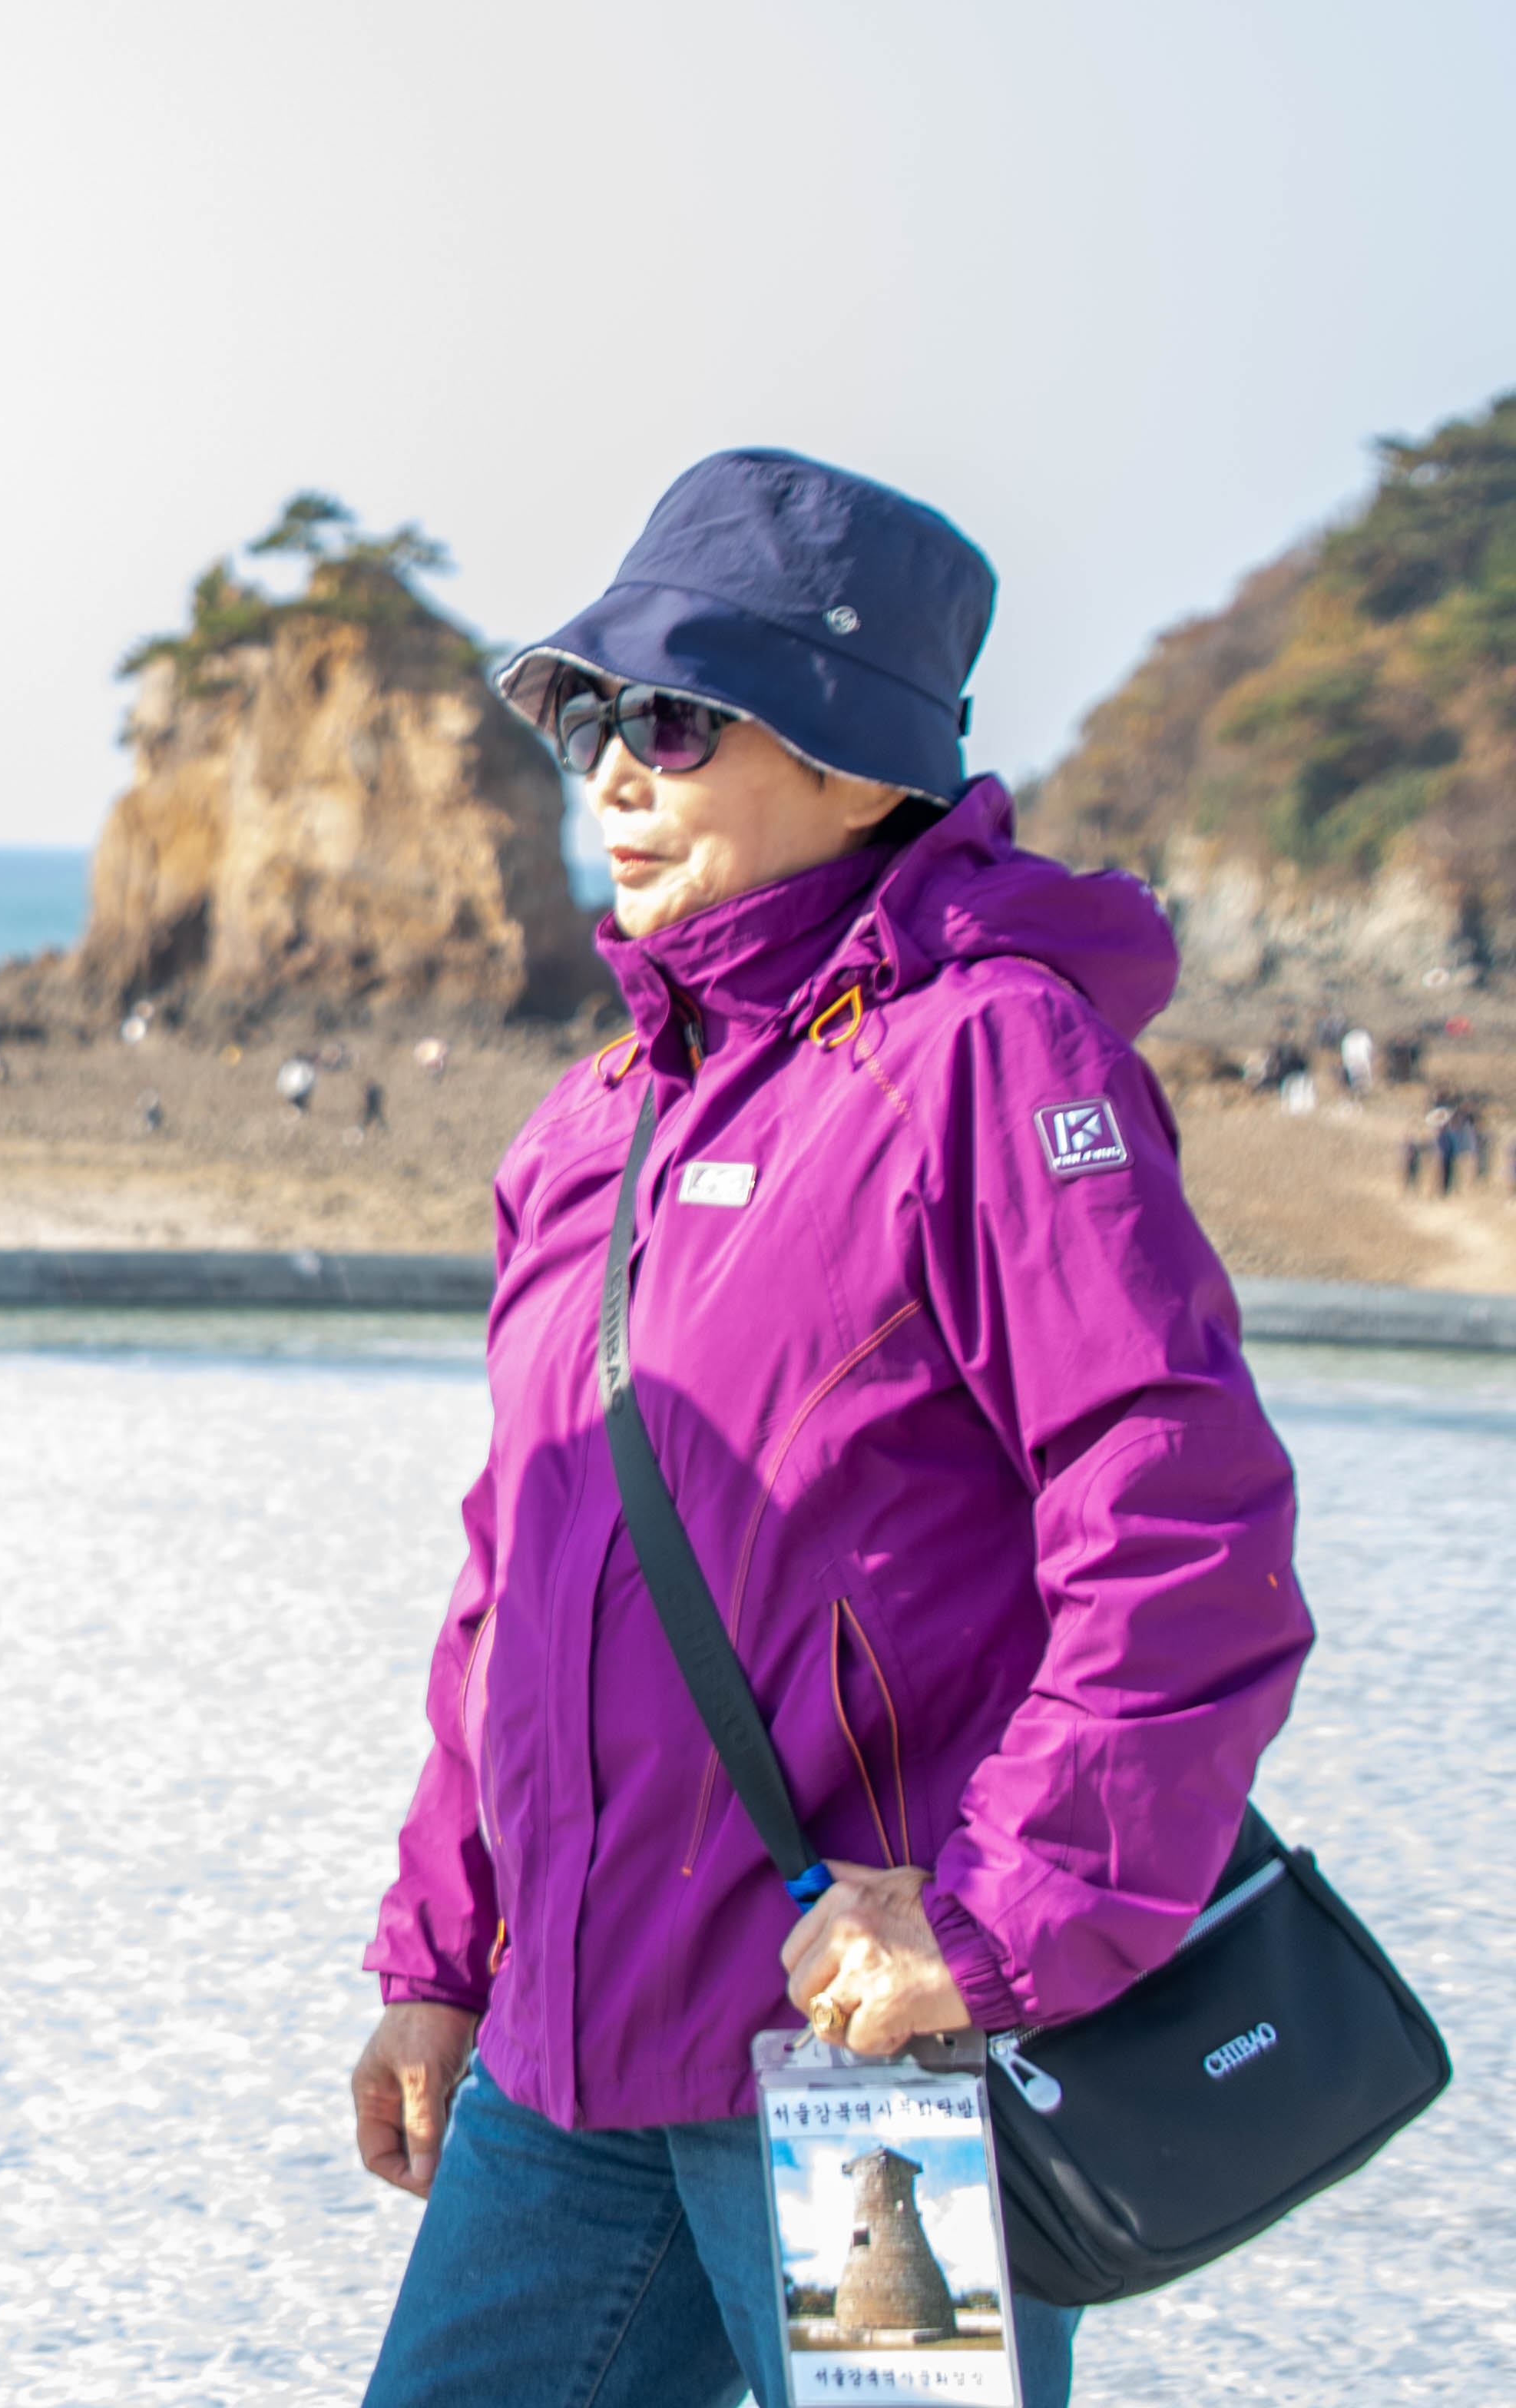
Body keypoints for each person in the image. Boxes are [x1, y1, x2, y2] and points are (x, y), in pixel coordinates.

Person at [350, 451, 1310, 2408]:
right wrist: (442, 1954)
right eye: (592, 718)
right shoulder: (592, 1125)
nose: (615, 775)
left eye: (677, 722)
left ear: (860, 768)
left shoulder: (991, 1061)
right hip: (561, 2060)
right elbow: (512, 1579)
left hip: (861, 2084)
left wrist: (996, 1921)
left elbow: (1183, 1537)